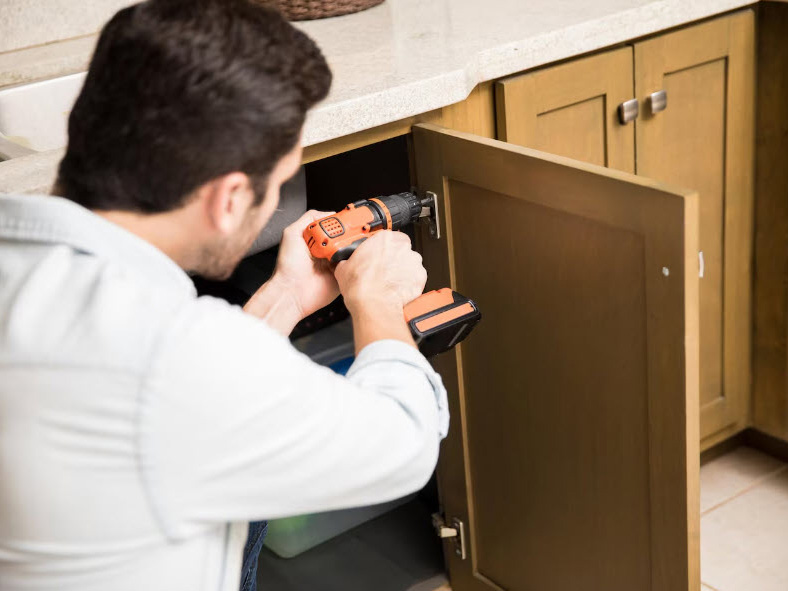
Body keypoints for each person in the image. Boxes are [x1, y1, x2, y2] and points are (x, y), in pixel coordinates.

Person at [0, 1, 448, 590]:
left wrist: (286, 295)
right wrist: (380, 303)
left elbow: (195, 391)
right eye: (278, 181)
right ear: (230, 198)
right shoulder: (172, 355)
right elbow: (403, 443)